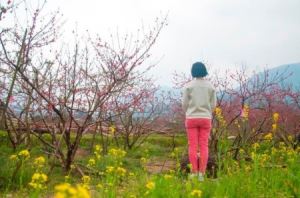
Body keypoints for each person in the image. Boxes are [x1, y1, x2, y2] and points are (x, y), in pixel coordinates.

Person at [182, 62, 216, 181]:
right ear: (204, 71)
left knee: (192, 145)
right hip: (206, 118)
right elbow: (213, 105)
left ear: (193, 71)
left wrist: (189, 112)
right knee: (204, 146)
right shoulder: (211, 86)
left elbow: (184, 104)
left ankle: (194, 173)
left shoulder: (188, 86)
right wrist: (206, 111)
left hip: (191, 118)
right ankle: (201, 174)